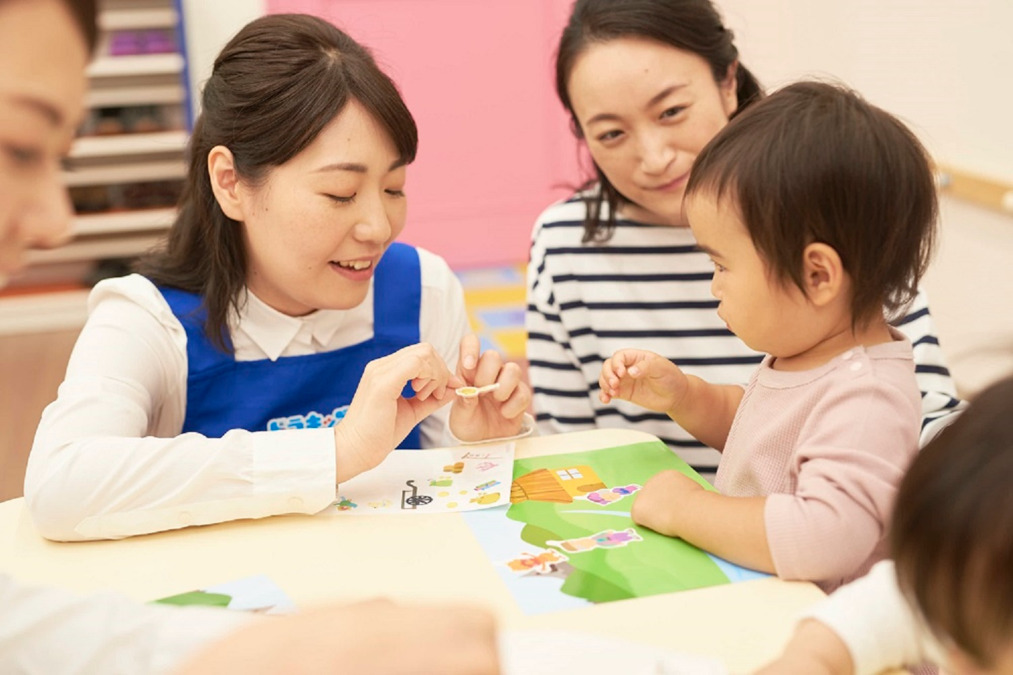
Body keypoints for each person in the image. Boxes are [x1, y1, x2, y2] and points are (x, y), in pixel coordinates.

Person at [0, 2, 501, 673]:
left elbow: (449, 496)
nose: (378, 227)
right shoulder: (146, 318)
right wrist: (335, 449)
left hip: (397, 624)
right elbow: (61, 486)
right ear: (231, 182)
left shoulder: (423, 288)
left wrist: (480, 434)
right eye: (339, 195)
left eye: (393, 187)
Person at [526, 0, 962, 473]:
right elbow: (566, 448)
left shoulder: (827, 207)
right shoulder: (563, 242)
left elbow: (927, 422)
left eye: (671, 111)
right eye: (611, 134)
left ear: (728, 82)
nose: (654, 157)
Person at [599, 80, 935, 592]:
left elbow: (824, 538)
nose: (713, 283)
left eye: (721, 263)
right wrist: (686, 396)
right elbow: (765, 437)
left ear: (818, 275)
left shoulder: (867, 397)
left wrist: (688, 508)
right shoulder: (807, 356)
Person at [755, 374, 1013, 675]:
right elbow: (867, 614)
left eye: (980, 661)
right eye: (951, 638)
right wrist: (809, 661)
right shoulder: (964, 594)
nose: (952, 658)